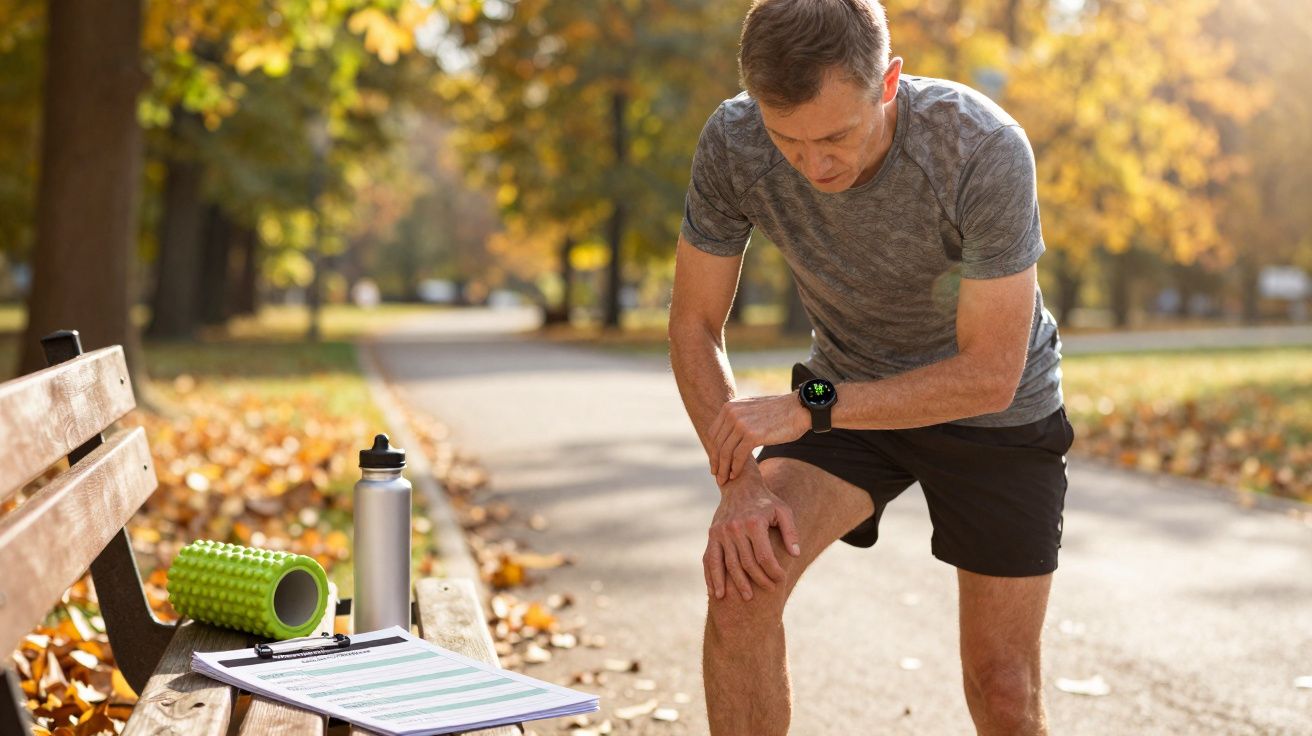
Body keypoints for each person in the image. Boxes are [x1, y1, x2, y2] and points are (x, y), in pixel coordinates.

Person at [667, 1, 1074, 734]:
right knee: (741, 588)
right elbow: (694, 324)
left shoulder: (980, 148)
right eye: (787, 140)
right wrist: (740, 484)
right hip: (846, 397)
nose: (816, 165)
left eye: (836, 136)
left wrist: (812, 406)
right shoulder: (733, 141)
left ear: (887, 82)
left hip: (995, 418)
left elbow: (989, 374)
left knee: (1004, 688)